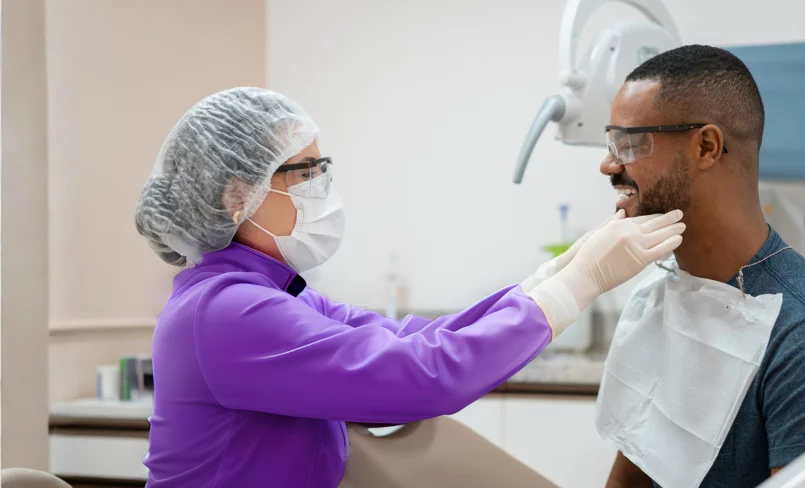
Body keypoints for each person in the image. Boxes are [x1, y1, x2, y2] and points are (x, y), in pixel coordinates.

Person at [133, 87, 686, 488]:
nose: (323, 185)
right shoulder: (228, 312)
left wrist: (555, 274)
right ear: (238, 196)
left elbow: (414, 341)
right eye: (306, 172)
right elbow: (420, 377)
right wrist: (577, 287)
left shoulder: (277, 295)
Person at [599, 46, 805, 488]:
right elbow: (636, 468)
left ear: (706, 146)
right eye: (612, 142)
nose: (608, 164)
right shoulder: (672, 292)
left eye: (630, 143)